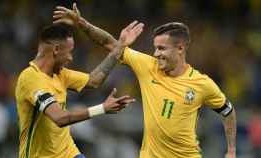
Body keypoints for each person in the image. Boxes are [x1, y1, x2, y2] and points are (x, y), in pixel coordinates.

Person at [53, 3, 237, 158]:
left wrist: (231, 150)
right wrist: (82, 23)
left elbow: (227, 111)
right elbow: (110, 44)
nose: (156, 53)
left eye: (162, 48)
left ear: (180, 49)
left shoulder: (202, 83)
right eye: (155, 48)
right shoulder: (148, 66)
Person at [15, 24, 137, 158]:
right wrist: (102, 108)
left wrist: (120, 46)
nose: (70, 58)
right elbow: (60, 118)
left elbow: (94, 80)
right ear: (56, 49)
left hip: (69, 154)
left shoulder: (61, 74)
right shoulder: (31, 79)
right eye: (69, 51)